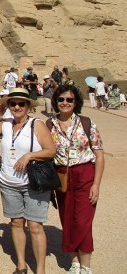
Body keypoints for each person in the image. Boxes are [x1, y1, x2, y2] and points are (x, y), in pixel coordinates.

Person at [0, 88, 56, 274]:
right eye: (12, 103)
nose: (16, 107)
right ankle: (21, 265)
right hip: (9, 182)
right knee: (16, 223)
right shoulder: (6, 125)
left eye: (21, 104)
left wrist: (30, 156)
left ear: (28, 106)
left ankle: (40, 270)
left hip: (32, 182)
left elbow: (51, 150)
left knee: (35, 226)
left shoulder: (37, 124)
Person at [49, 84, 104, 274]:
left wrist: (96, 184)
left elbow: (99, 155)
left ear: (76, 102)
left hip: (84, 175)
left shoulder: (87, 123)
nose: (65, 103)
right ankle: (74, 262)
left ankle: (86, 265)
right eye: (61, 99)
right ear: (55, 101)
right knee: (67, 219)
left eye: (69, 100)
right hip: (62, 177)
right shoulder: (49, 125)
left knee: (83, 221)